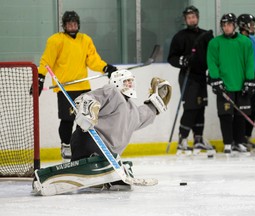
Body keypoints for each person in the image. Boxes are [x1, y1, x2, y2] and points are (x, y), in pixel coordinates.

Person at [32, 69, 172, 194]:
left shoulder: (133, 110)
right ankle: (53, 177)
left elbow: (144, 115)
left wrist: (155, 104)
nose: (130, 84)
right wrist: (87, 109)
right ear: (117, 82)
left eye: (131, 81)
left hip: (108, 154)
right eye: (126, 81)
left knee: (123, 185)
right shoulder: (112, 92)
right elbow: (89, 98)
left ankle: (104, 176)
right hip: (88, 141)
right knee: (94, 160)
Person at [30, 11, 117, 160]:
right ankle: (66, 145)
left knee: (86, 120)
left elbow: (93, 60)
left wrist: (106, 67)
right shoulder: (56, 40)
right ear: (64, 25)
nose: (72, 26)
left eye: (75, 24)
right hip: (65, 88)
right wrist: (40, 77)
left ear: (78, 25)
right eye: (69, 24)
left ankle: (81, 147)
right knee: (67, 119)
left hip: (83, 87)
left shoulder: (85, 40)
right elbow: (47, 61)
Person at [167, 5, 214, 156]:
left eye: (193, 16)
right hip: (187, 76)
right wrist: (183, 60)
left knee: (201, 107)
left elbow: (212, 56)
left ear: (197, 17)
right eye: (189, 17)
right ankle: (183, 140)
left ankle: (198, 139)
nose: (191, 19)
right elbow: (172, 58)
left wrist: (212, 73)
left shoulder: (206, 35)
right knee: (191, 107)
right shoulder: (180, 36)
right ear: (185, 20)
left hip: (201, 75)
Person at [207, 13, 255, 154]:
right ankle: (228, 142)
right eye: (224, 25)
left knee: (241, 115)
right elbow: (212, 62)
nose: (226, 27)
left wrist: (249, 79)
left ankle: (239, 142)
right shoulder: (215, 43)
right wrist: (215, 78)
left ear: (234, 25)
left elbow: (249, 62)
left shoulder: (245, 42)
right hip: (225, 85)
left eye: (228, 24)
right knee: (225, 114)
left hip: (240, 84)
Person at [237, 14, 255, 151]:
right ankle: (239, 138)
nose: (253, 26)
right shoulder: (239, 40)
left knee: (254, 108)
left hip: (253, 77)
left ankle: (246, 136)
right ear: (243, 26)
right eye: (250, 24)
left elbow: (254, 60)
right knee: (243, 109)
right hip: (243, 79)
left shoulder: (253, 39)